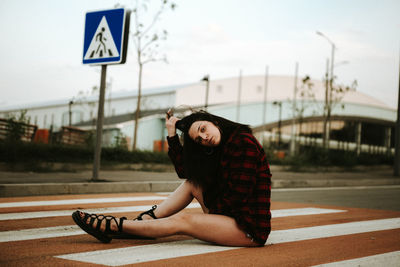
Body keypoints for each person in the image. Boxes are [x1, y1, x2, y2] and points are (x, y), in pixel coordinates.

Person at [72, 110, 272, 247]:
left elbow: (237, 199)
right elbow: (186, 172)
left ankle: (116, 226)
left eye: (203, 129)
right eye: (199, 139)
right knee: (193, 183)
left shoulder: (243, 143)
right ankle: (147, 221)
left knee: (183, 221)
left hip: (248, 229)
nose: (204, 138)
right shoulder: (219, 146)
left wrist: (205, 217)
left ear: (214, 122)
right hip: (229, 213)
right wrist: (172, 133)